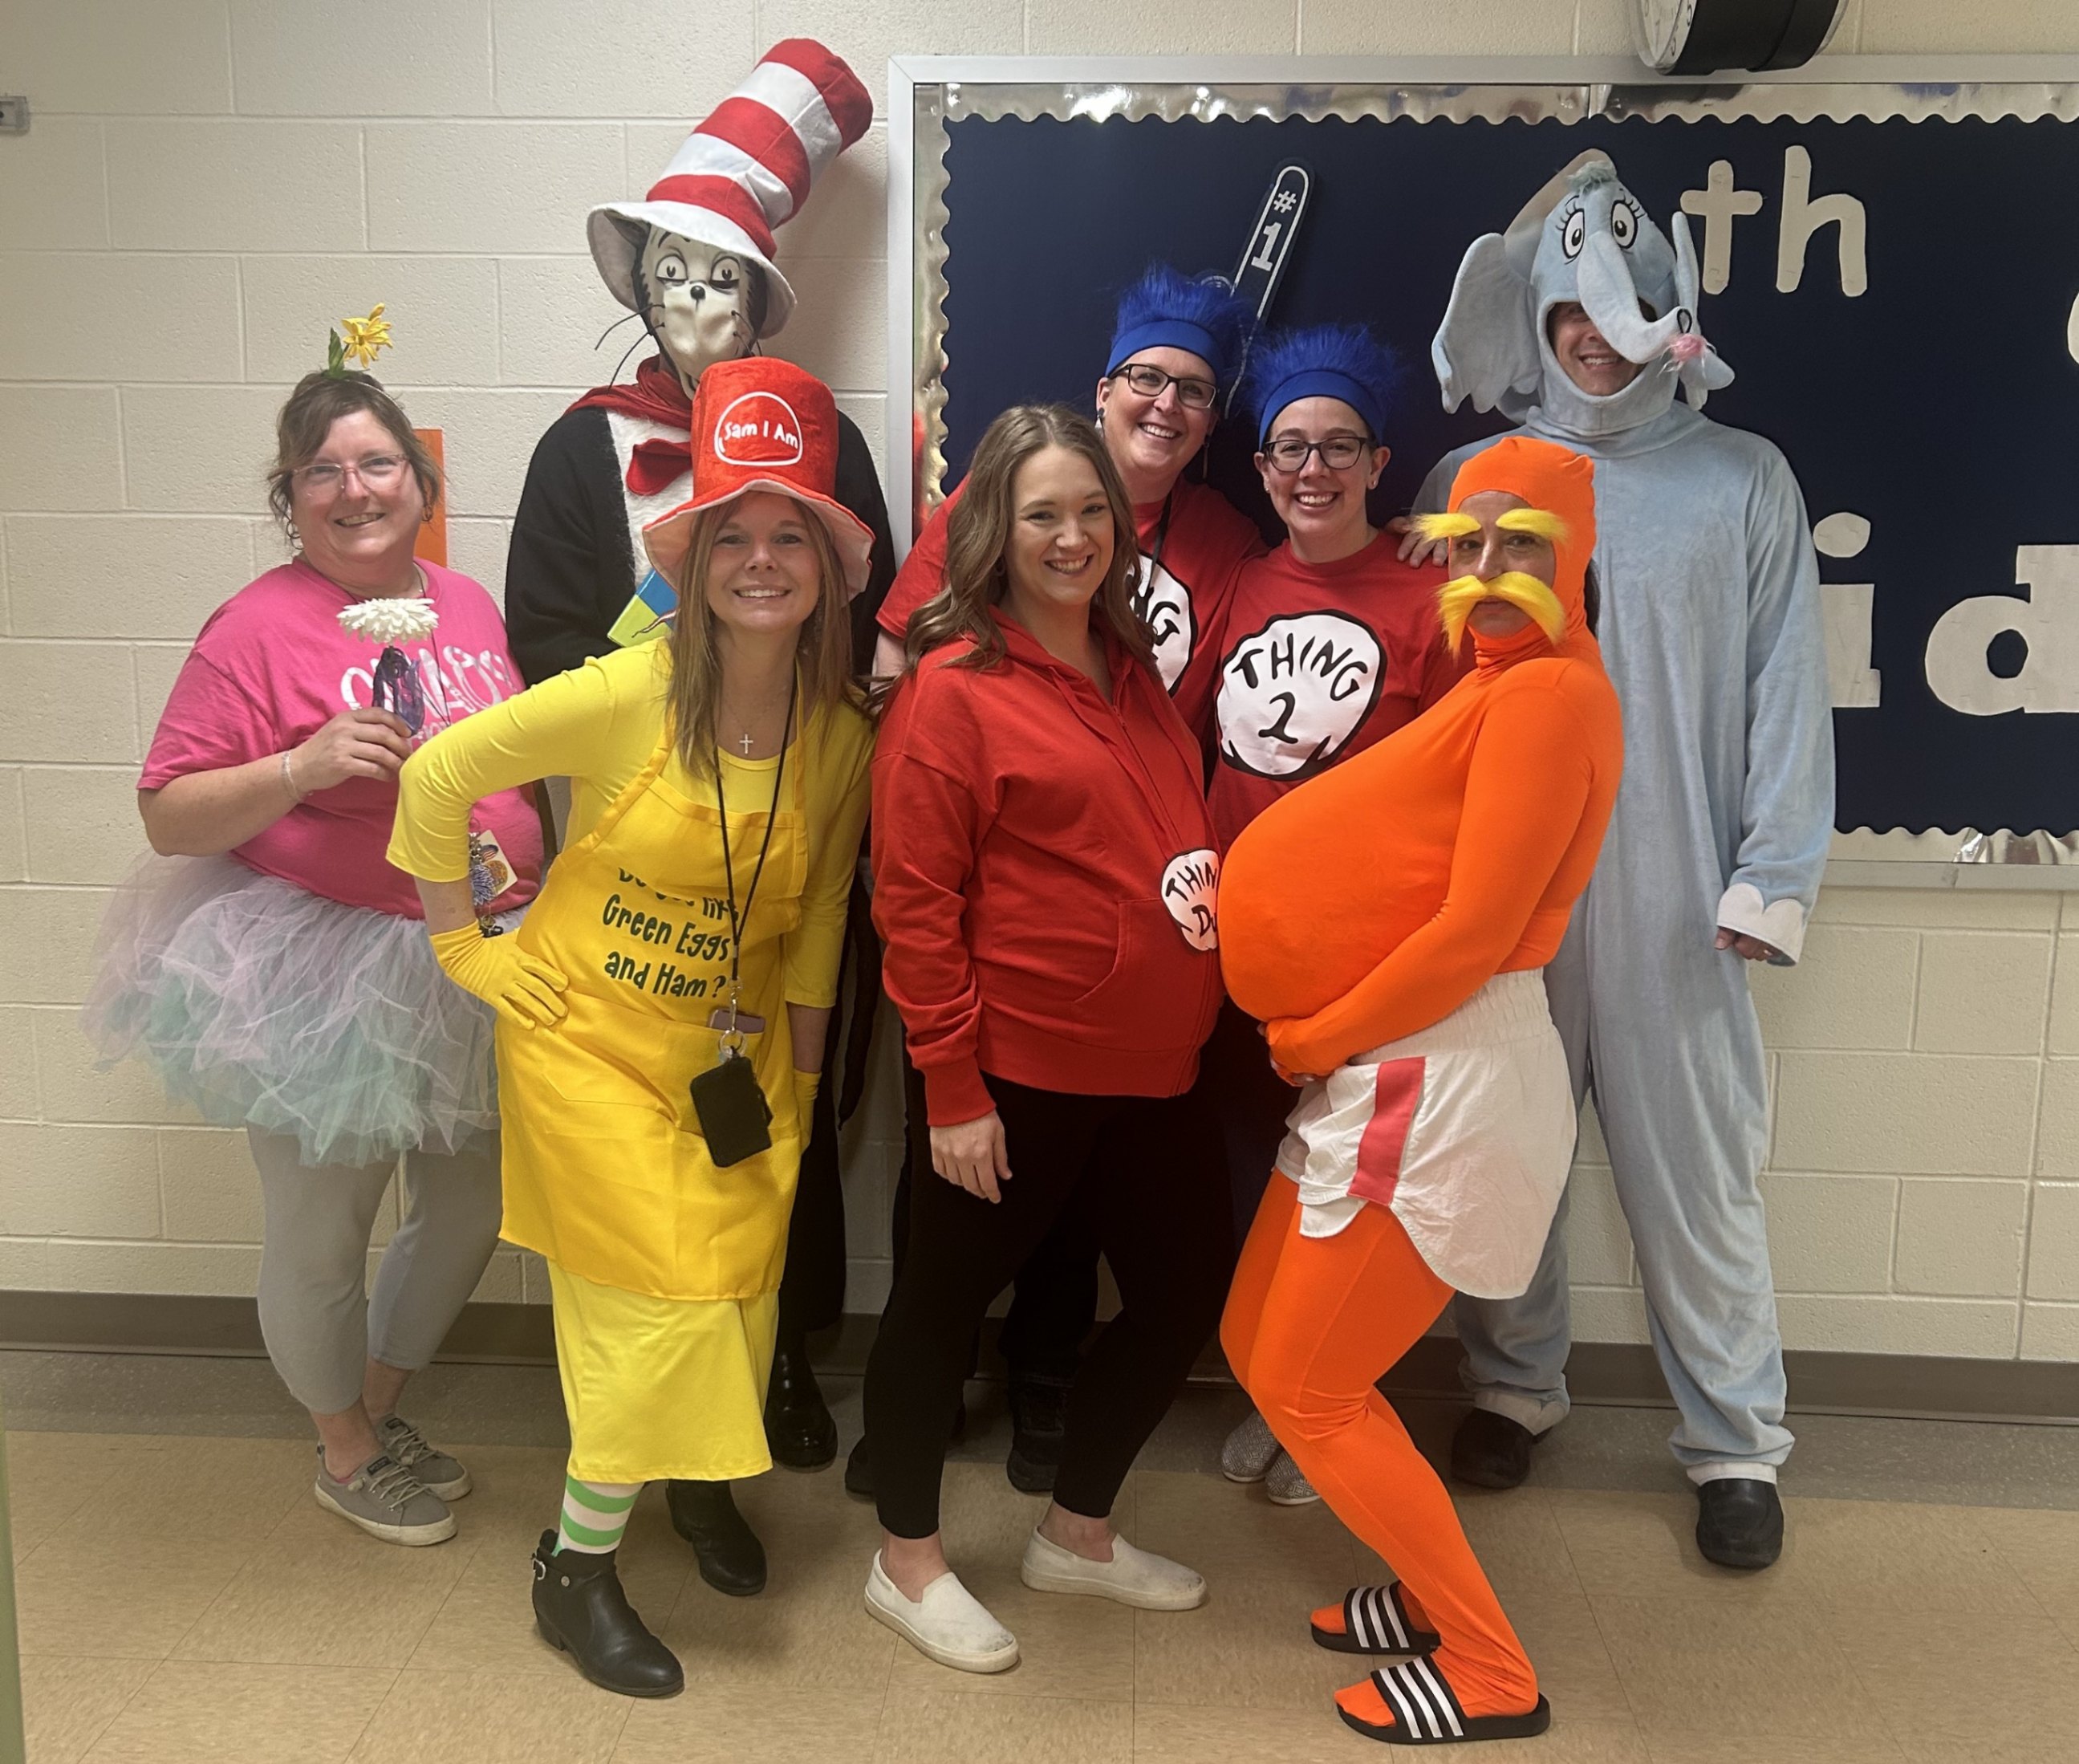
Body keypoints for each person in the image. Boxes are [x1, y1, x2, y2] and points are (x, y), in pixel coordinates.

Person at [389, 356, 875, 1699]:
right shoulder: (624, 690)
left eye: (792, 536)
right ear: (699, 556)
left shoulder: (841, 732)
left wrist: (807, 1092)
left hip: (737, 1056)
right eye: (736, 535)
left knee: (737, 1291)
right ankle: (575, 1566)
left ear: (829, 568)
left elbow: (825, 908)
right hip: (585, 1041)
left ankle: (700, 1488)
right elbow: (438, 777)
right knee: (652, 1305)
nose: (763, 561)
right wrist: (464, 947)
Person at [503, 40, 891, 1548]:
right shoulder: (575, 451)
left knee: (781, 1122)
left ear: (759, 296)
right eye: (667, 274)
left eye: (720, 277)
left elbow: (854, 621)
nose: (692, 302)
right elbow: (542, 653)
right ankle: (633, 1449)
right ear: (637, 290)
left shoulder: (829, 442)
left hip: (779, 854)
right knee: (642, 1168)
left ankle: (777, 1366)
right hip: (636, 863)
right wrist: (673, 651)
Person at [1420, 153, 1833, 1571]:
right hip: (1510, 882)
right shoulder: (1473, 479)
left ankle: (1734, 1442)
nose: (1593, 346)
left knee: (1697, 1171)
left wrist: (1773, 870)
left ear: (1672, 314)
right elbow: (1430, 699)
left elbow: (1790, 689)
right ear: (1536, 317)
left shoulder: (1743, 481)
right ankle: (1515, 1386)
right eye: (1570, 322)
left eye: (1619, 320)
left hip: (1675, 892)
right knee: (1509, 1150)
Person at [84, 361, 542, 1547]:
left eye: (377, 463)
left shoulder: (469, 604)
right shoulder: (255, 624)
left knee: (471, 1208)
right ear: (290, 497)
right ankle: (340, 1447)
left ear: (420, 478)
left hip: (472, 955)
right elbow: (167, 809)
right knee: (323, 1226)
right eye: (321, 472)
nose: (354, 489)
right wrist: (299, 765)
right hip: (323, 975)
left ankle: (375, 1411)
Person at [1220, 434, 1622, 1746]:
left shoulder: (1552, 697)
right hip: (1388, 1059)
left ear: (1576, 557)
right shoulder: (1508, 680)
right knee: (1255, 1345)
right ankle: (1418, 1577)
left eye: (1525, 547)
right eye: (1472, 545)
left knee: (1314, 1386)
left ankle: (1492, 1666)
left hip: (1431, 1064)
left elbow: (1472, 929)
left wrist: (1313, 1033)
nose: (1491, 570)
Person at [859, 263, 1260, 1498]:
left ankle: (1078, 1524)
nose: (1073, 536)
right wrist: (952, 1081)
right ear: (994, 527)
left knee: (1187, 1290)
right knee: (938, 1300)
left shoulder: (1132, 666)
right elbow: (915, 900)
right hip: (1018, 1060)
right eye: (1042, 517)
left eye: (1092, 514)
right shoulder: (956, 689)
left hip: (1156, 1067)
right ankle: (909, 1553)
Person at [1209, 324, 1468, 1506]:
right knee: (1257, 1186)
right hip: (1235, 954)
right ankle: (1280, 1393)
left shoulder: (1435, 601)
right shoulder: (1237, 585)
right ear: (1260, 469)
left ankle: (1337, 1407)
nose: (1311, 470)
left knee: (1354, 1194)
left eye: (1338, 448)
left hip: (1367, 964)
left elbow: (1474, 778)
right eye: (1289, 450)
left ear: (1378, 463)